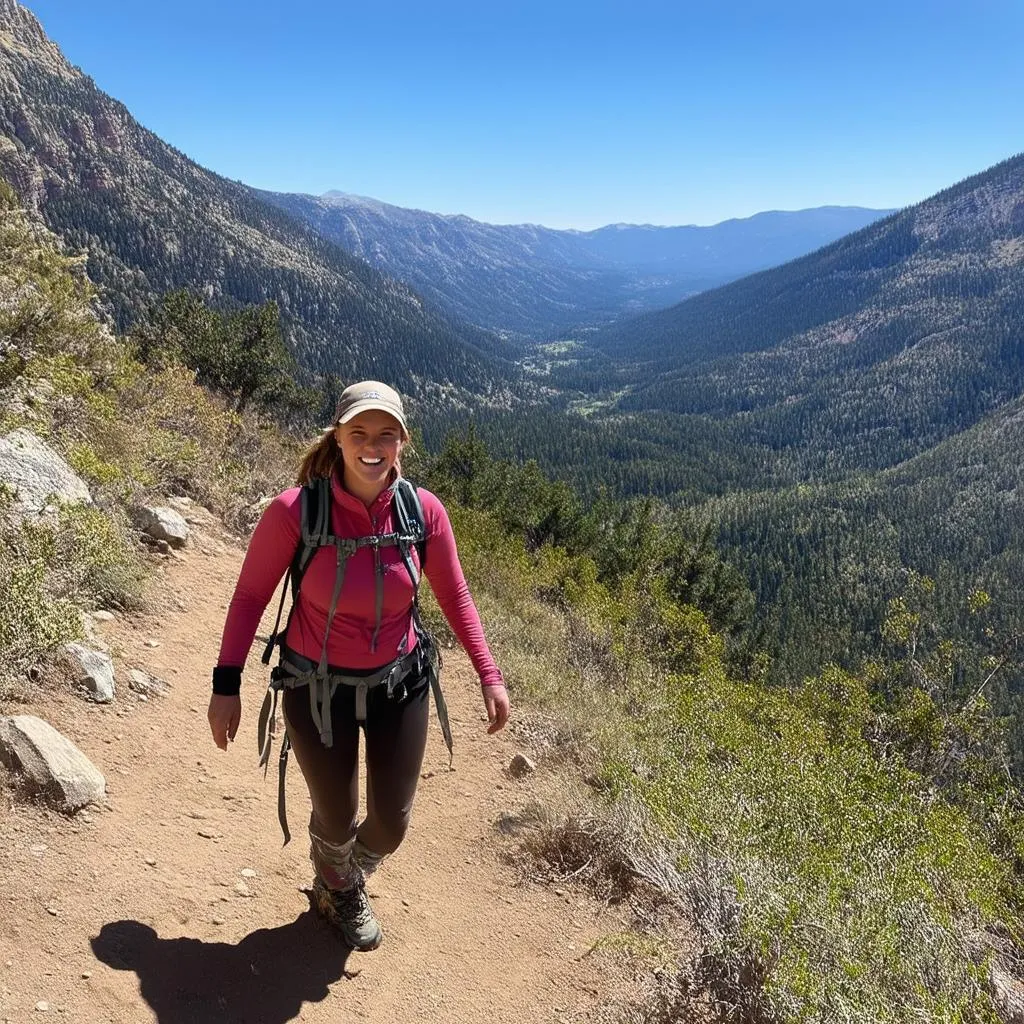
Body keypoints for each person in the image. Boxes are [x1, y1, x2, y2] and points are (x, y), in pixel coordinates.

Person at [207, 380, 510, 952]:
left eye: (386, 434)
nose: (373, 445)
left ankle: (341, 874)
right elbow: (249, 597)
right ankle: (337, 879)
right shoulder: (296, 512)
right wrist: (227, 686)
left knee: (390, 825)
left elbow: (456, 595)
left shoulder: (423, 512)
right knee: (337, 812)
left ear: (402, 442)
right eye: (359, 433)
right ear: (338, 439)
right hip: (315, 684)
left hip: (402, 681)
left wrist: (488, 674)